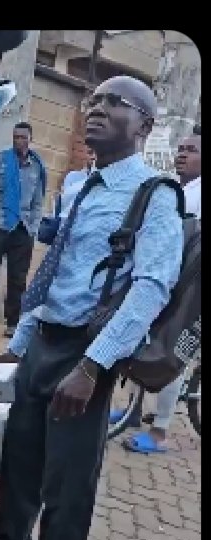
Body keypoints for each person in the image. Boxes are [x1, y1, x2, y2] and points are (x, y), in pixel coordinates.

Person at [0, 76, 184, 540]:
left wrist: (93, 367)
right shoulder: (76, 183)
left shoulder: (154, 194)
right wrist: (18, 346)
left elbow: (152, 287)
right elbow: (54, 273)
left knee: (68, 485)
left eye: (114, 102)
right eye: (93, 100)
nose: (96, 108)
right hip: (43, 341)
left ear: (144, 125)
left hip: (86, 353)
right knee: (20, 459)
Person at [114, 132, 201, 454]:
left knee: (171, 353)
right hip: (168, 281)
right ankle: (133, 412)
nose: (183, 154)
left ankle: (160, 430)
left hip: (189, 291)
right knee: (143, 342)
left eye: (192, 150)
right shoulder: (179, 189)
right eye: (181, 149)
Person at [0, 122, 48, 337]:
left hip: (23, 229)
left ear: (30, 139)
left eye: (23, 137)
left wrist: (33, 227)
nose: (19, 141)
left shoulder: (37, 166)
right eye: (16, 137)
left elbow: (37, 200)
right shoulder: (0, 160)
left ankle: (12, 322)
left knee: (17, 279)